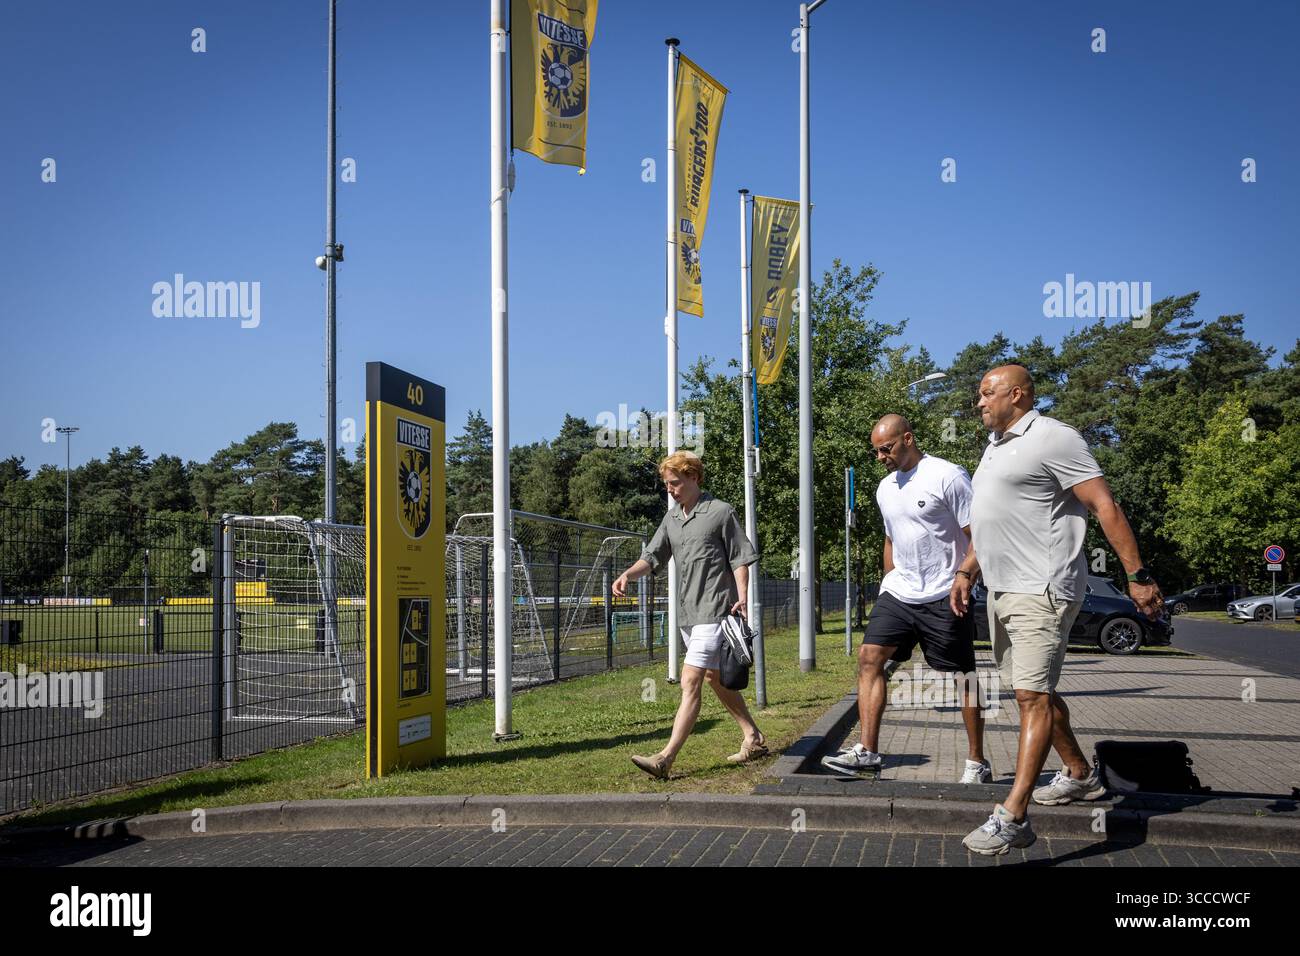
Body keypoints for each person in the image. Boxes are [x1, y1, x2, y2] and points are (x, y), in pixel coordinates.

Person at [952, 365, 1164, 855]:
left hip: (1042, 588)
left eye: (987, 393)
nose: (979, 402)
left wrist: (1137, 577)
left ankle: (1014, 815)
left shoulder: (1055, 438)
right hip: (1003, 590)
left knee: (1031, 697)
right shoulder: (997, 445)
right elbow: (993, 522)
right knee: (1035, 694)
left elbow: (1105, 505)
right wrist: (967, 571)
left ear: (1018, 394)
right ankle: (1080, 774)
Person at [822, 415, 991, 783]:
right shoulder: (885, 488)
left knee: (963, 677)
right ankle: (867, 751)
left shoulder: (948, 475)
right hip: (900, 591)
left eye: (886, 449)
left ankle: (977, 761)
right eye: (876, 451)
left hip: (945, 592)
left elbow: (980, 533)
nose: (880, 456)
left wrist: (965, 576)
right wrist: (888, 583)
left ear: (909, 439)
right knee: (869, 658)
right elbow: (891, 539)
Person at [614, 450, 765, 779]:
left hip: (716, 610)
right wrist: (628, 574)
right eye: (667, 484)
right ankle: (753, 737)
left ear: (694, 477)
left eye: (675, 483)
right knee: (714, 678)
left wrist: (742, 597)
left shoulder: (721, 512)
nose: (670, 489)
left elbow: (740, 558)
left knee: (690, 681)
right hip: (686, 613)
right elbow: (653, 556)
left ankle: (665, 759)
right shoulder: (672, 519)